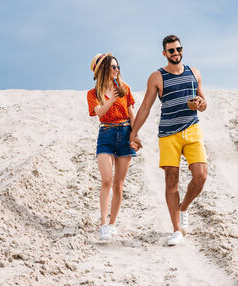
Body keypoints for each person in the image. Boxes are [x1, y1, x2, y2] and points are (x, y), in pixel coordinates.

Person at [130, 35, 207, 246]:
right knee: (171, 182)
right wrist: (134, 133)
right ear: (164, 53)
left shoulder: (195, 73)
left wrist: (199, 103)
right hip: (168, 134)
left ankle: (183, 208)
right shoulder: (157, 77)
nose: (176, 53)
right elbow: (145, 107)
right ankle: (176, 229)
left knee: (200, 176)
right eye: (171, 50)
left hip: (192, 130)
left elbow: (203, 103)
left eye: (178, 49)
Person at [87, 53, 137, 240]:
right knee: (106, 179)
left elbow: (131, 113)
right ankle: (103, 223)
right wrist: (111, 99)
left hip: (125, 133)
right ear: (103, 70)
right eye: (112, 67)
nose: (116, 70)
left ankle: (113, 223)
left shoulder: (125, 89)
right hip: (106, 134)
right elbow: (99, 113)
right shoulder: (93, 94)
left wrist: (135, 134)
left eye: (117, 66)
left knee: (119, 184)